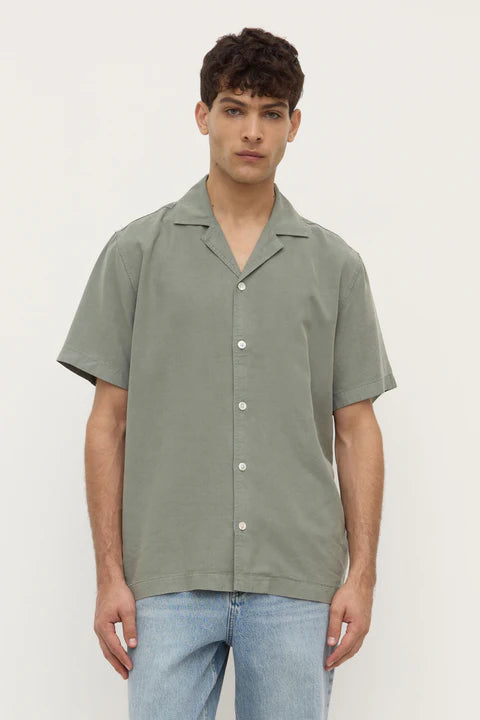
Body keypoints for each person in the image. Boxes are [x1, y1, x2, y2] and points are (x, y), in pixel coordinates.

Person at [56, 26, 398, 720]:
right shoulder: (135, 254)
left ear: (294, 125)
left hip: (297, 581)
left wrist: (361, 577)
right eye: (234, 109)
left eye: (271, 113)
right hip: (167, 580)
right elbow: (108, 423)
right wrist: (109, 574)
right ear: (202, 115)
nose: (252, 131)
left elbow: (357, 428)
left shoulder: (335, 266)